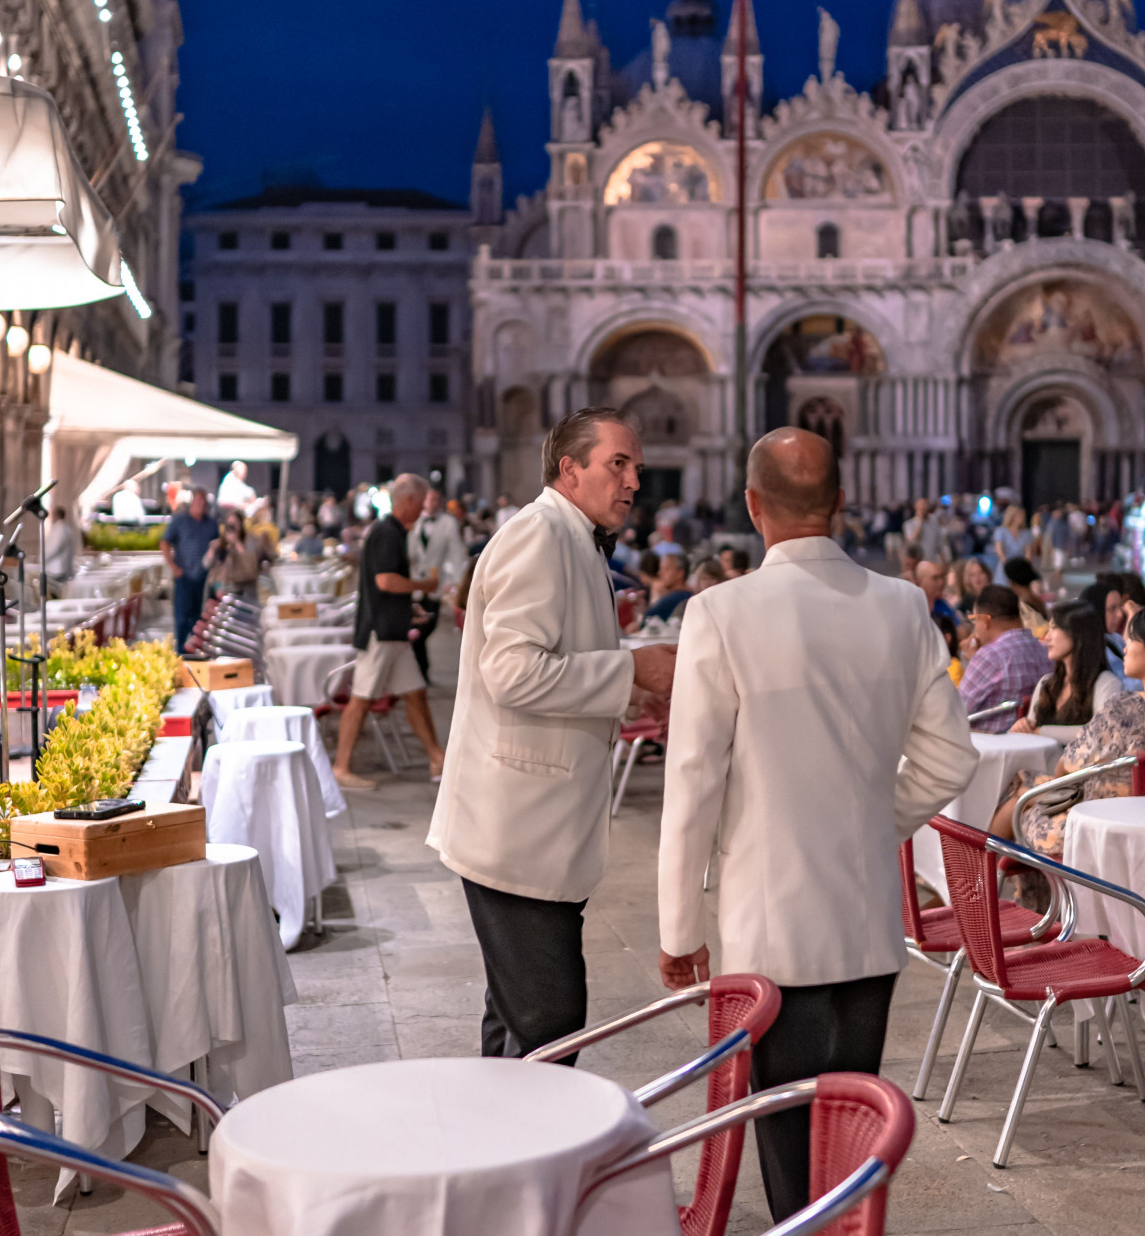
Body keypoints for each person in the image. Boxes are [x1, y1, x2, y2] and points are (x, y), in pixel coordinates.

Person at [656, 427, 976, 1222]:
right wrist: (872, 821)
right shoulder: (903, 604)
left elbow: (692, 780)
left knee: (786, 1129)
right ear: (840, 502)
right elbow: (950, 758)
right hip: (867, 915)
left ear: (753, 507)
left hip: (768, 920)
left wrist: (677, 924)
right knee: (852, 1126)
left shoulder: (719, 610)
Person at [427, 408, 677, 1060]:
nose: (631, 481)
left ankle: (501, 1152)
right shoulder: (539, 535)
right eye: (617, 463)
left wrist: (638, 672)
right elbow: (511, 672)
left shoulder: (572, 536)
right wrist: (630, 670)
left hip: (536, 832)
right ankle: (533, 1155)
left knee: (517, 1017)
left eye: (637, 469)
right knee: (550, 1021)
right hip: (515, 833)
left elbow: (559, 658)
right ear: (569, 468)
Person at [990, 608, 1145, 853]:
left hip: (1096, 824)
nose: (1125, 648)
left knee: (1020, 795)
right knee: (1027, 784)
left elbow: (1066, 765)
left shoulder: (1126, 705)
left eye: (1131, 640)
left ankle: (977, 879)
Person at [336, 474, 446, 787]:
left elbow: (384, 586)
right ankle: (340, 768)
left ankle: (437, 758)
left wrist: (406, 607)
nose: (424, 509)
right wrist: (423, 586)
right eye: (422, 502)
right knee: (361, 699)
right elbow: (385, 581)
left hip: (393, 630)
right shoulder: (387, 533)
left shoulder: (391, 531)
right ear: (409, 501)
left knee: (416, 694)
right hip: (380, 633)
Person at [1014, 600, 1118, 732]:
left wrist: (1042, 732)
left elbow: (1101, 732)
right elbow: (1031, 732)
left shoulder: (1106, 683)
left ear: (1077, 633)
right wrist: (1020, 728)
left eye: (1054, 628)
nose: (1047, 637)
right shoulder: (1046, 683)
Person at [959, 584, 1051, 728]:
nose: (975, 626)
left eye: (975, 619)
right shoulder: (1045, 649)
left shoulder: (989, 657)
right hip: (1035, 740)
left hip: (990, 745)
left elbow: (956, 712)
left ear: (985, 620)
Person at [408, 487, 468, 683]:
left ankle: (419, 671)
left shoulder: (448, 522)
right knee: (415, 626)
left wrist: (454, 582)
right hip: (413, 583)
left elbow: (456, 553)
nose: (432, 503)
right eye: (429, 499)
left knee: (426, 627)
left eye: (435, 499)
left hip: (436, 583)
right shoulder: (413, 520)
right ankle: (420, 673)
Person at [160, 488, 219, 649]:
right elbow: (164, 543)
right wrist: (173, 566)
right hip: (184, 576)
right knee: (182, 617)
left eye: (203, 502)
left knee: (199, 617)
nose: (201, 505)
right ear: (192, 501)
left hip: (203, 578)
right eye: (198, 501)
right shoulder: (179, 520)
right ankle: (180, 651)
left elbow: (218, 546)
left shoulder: (211, 523)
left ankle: (195, 650)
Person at [205, 512, 261, 600]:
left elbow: (251, 568)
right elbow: (206, 564)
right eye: (229, 525)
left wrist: (237, 542)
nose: (232, 528)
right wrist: (212, 549)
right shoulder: (221, 543)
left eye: (235, 524)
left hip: (242, 593)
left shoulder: (248, 541)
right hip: (220, 593)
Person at [643, 550, 691, 623]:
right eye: (660, 569)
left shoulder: (672, 599)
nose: (660, 573)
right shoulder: (691, 594)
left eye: (666, 569)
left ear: (680, 574)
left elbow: (643, 622)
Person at [992, 505, 1031, 585]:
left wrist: (1025, 565)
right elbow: (999, 550)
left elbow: (1028, 552)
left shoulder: (1025, 533)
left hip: (1020, 567)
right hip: (1006, 566)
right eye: (1020, 515)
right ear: (1013, 516)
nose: (1022, 518)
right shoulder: (1001, 531)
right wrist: (1008, 564)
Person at [43, 505, 78, 591]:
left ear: (57, 515)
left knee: (58, 592)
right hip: (57, 567)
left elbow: (55, 548)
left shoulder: (61, 529)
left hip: (58, 568)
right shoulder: (62, 528)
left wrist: (42, 558)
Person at [904, 497, 944, 564]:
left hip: (933, 560)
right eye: (921, 506)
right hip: (918, 562)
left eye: (925, 504)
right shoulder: (909, 524)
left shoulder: (934, 520)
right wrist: (920, 523)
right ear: (916, 508)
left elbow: (939, 542)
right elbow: (911, 541)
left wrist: (943, 559)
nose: (924, 507)